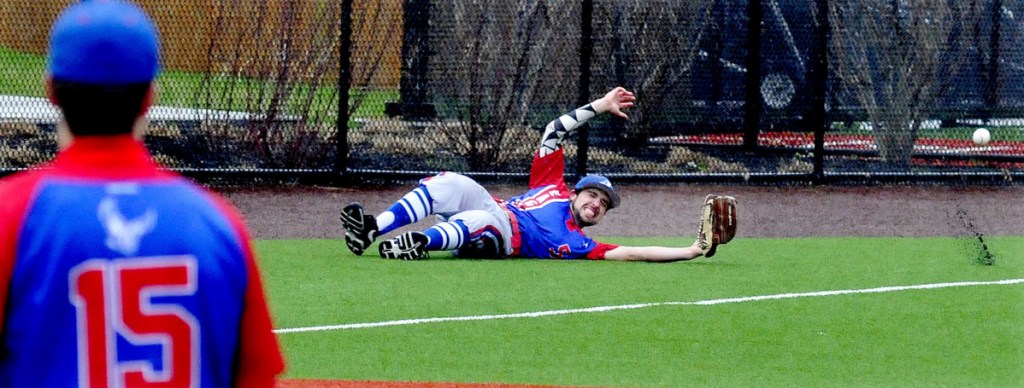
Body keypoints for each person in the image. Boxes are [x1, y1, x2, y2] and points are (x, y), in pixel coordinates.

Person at [0, 1, 284, 386]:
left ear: (50, 90)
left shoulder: (11, 214)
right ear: (150, 95)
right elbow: (256, 376)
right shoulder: (216, 222)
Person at [341, 87, 715, 262]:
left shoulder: (578, 244)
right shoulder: (552, 184)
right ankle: (372, 229)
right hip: (497, 210)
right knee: (453, 182)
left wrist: (691, 250)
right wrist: (600, 106)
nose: (596, 204)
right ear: (575, 192)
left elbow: (634, 252)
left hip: (501, 237)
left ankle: (421, 243)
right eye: (592, 195)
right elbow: (553, 131)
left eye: (603, 204)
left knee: (482, 218)